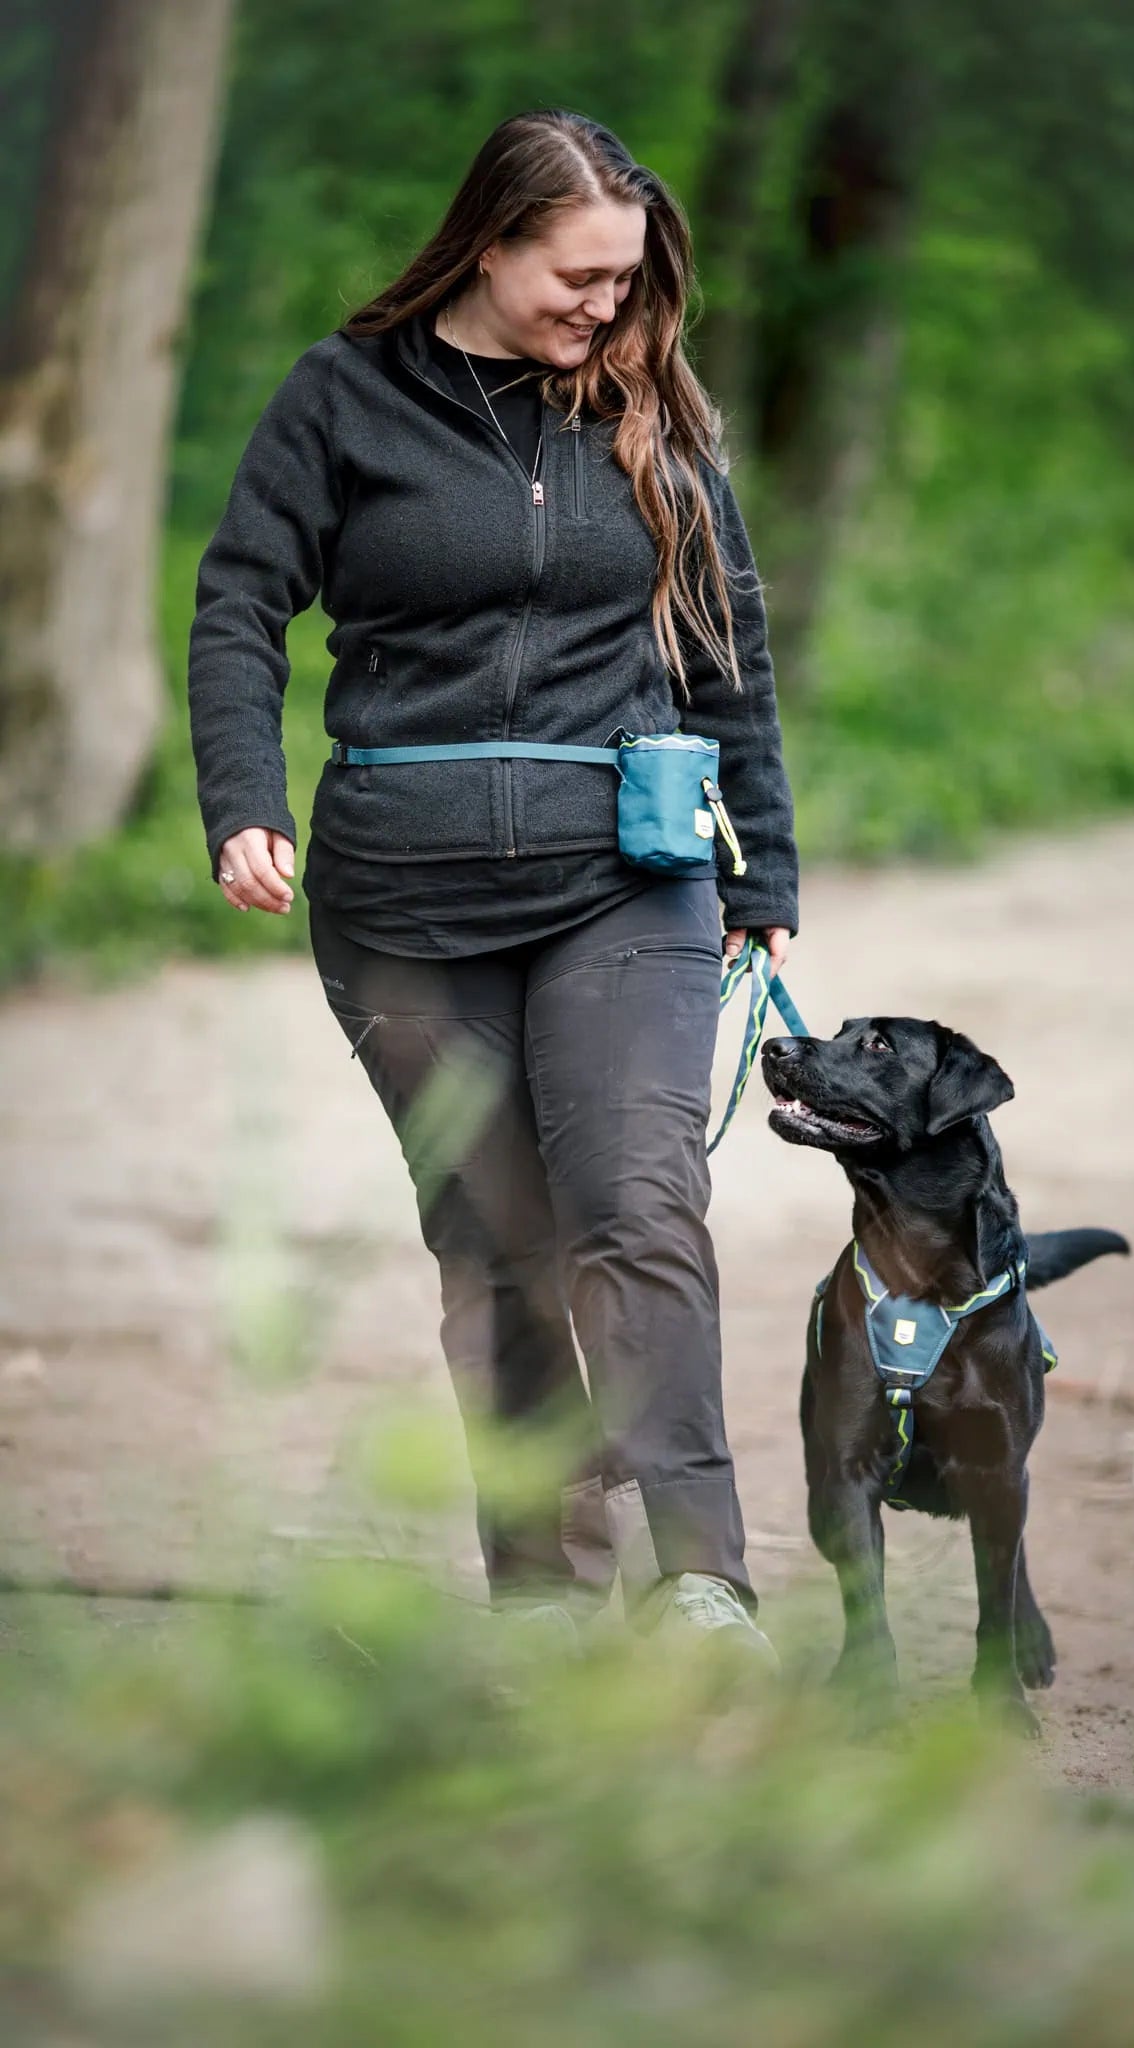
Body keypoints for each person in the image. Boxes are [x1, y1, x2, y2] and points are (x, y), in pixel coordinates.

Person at [187, 108, 799, 1665]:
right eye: (577, 276)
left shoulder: (649, 406)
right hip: (399, 898)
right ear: (489, 245)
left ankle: (700, 1584)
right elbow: (241, 599)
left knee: (635, 1202)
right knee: (499, 1237)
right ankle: (542, 1594)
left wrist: (765, 864)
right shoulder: (344, 397)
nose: (606, 304)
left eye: (625, 277)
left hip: (625, 876)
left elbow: (723, 639)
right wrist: (244, 799)